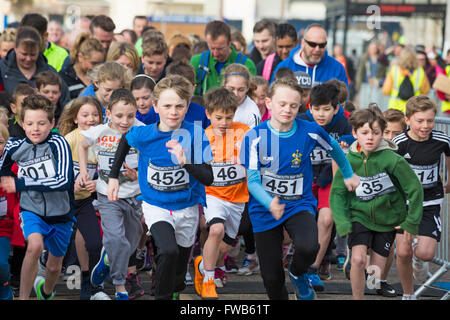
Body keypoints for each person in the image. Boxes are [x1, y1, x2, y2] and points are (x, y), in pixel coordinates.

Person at [239, 78, 360, 300]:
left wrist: (349, 173)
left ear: (300, 106)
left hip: (298, 203)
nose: (287, 109)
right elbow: (253, 181)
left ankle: (298, 274)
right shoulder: (255, 137)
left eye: (293, 106)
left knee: (308, 246)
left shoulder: (310, 131)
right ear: (269, 103)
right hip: (264, 210)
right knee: (272, 279)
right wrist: (270, 203)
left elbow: (334, 148)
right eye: (282, 104)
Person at [106, 75, 214, 300]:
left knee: (177, 269)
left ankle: (172, 285)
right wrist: (114, 176)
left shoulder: (195, 134)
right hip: (156, 205)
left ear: (186, 108)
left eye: (179, 106)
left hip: (187, 207)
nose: (173, 112)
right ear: (155, 106)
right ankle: (161, 295)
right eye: (166, 106)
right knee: (167, 250)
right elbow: (126, 140)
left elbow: (209, 177)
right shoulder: (145, 134)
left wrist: (186, 162)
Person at [330, 105, 423, 300]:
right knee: (358, 260)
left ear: (382, 133)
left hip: (386, 220)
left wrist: (411, 221)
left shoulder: (392, 160)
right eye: (364, 133)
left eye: (375, 132)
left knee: (374, 275)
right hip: (359, 216)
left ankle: (367, 271)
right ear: (355, 133)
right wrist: (342, 222)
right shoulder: (349, 162)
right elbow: (337, 193)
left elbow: (414, 189)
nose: (370, 137)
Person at [0, 94, 75, 300]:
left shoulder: (59, 144)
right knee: (34, 246)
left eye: (41, 123)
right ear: (22, 124)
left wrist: (21, 183)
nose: (35, 129)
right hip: (31, 210)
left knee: (53, 267)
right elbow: (2, 171)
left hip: (61, 214)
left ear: (52, 123)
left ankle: (46, 291)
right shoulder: (15, 146)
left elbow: (62, 181)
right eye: (30, 123)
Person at [78, 89, 143, 300]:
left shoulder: (141, 131)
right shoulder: (100, 131)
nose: (125, 121)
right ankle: (119, 287)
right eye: (119, 115)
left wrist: (138, 175)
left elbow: (151, 160)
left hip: (134, 196)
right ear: (108, 113)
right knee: (118, 240)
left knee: (130, 243)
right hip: (107, 196)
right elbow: (82, 143)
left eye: (130, 116)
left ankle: (108, 259)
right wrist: (84, 170)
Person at [193, 87, 250, 299]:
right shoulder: (203, 137)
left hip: (238, 198)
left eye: (229, 117)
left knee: (224, 246)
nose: (224, 122)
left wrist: (244, 160)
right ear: (208, 114)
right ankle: (208, 279)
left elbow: (259, 158)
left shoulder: (244, 132)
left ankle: (202, 266)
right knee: (215, 230)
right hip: (213, 195)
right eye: (218, 117)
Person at [392, 95, 450, 300]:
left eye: (430, 120)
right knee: (403, 252)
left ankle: (420, 258)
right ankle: (408, 294)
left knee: (425, 254)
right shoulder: (399, 143)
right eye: (420, 121)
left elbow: (448, 157)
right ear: (407, 120)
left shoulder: (442, 139)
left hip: (430, 200)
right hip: (405, 203)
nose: (426, 126)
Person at [297, 82, 353, 289]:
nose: (321, 114)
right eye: (317, 109)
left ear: (337, 108)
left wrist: (348, 142)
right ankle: (296, 259)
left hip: (329, 179)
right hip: (303, 178)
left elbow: (360, 136)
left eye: (327, 109)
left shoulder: (344, 124)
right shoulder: (301, 121)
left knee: (327, 219)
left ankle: (313, 269)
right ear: (310, 107)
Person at [57, 96, 107, 300]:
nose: (91, 119)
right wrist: (71, 182)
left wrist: (98, 184)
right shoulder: (69, 139)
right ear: (76, 118)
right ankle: (45, 266)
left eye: (95, 114)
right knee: (57, 247)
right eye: (85, 115)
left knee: (94, 243)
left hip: (86, 200)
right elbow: (56, 172)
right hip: (63, 200)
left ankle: (90, 282)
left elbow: (108, 171)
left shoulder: (104, 140)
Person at [0, 26, 70, 107]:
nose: (28, 59)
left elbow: (65, 103)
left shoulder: (50, 72)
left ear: (39, 50)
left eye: (33, 54)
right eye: (24, 54)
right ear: (15, 49)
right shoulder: (2, 69)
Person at [190, 20, 256, 96]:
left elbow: (251, 96)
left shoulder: (247, 65)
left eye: (220, 48)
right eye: (212, 48)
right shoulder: (196, 62)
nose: (215, 53)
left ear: (229, 42)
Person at [272, 23, 348, 86]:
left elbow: (343, 101)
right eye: (312, 44)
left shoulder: (337, 68)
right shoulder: (284, 67)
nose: (317, 49)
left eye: (322, 45)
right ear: (302, 43)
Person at [142, 61, 211, 129]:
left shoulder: (201, 113)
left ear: (194, 88)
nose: (173, 112)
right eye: (167, 106)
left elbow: (201, 138)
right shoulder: (155, 112)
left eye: (185, 88)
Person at [0, 123, 20, 300]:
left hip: (3, 227)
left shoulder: (12, 166)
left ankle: (5, 288)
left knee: (1, 265)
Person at [382, 47, 430, 114]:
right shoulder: (420, 71)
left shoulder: (394, 70)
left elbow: (386, 91)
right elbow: (426, 90)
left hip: (395, 109)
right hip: (413, 108)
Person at [59, 32, 105, 100]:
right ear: (80, 57)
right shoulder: (63, 79)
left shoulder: (103, 79)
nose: (98, 68)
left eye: (100, 64)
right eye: (93, 63)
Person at [222, 63, 261, 129]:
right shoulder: (215, 103)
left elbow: (255, 138)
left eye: (241, 90)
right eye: (231, 89)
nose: (236, 94)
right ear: (224, 85)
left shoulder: (252, 114)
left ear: (247, 88)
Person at [355, 41, 389, 110]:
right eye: (371, 48)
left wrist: (380, 82)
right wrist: (358, 84)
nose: (373, 50)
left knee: (376, 105)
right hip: (366, 85)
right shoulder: (365, 58)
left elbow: (385, 73)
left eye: (374, 48)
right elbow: (360, 72)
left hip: (377, 86)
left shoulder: (381, 58)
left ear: (377, 49)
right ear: (368, 49)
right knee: (365, 105)